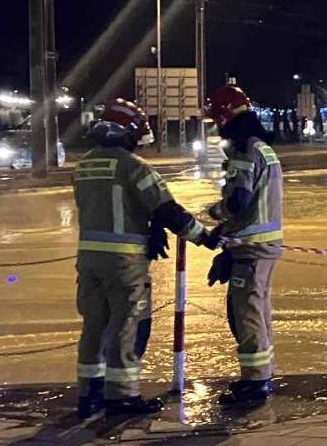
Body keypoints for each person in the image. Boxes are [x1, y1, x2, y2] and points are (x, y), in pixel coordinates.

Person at [72, 98, 211, 418]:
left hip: (89, 259)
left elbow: (107, 209)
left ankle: (88, 394)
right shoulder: (133, 166)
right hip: (125, 263)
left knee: (94, 325)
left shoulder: (84, 166)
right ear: (129, 133)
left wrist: (150, 225)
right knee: (127, 325)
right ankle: (120, 397)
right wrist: (204, 236)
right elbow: (167, 210)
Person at [204, 85, 284, 406]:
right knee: (258, 311)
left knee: (246, 314)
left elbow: (238, 201)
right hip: (260, 245)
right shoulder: (263, 148)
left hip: (251, 248)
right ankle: (263, 375)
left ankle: (254, 384)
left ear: (225, 117)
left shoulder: (244, 152)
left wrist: (212, 215)